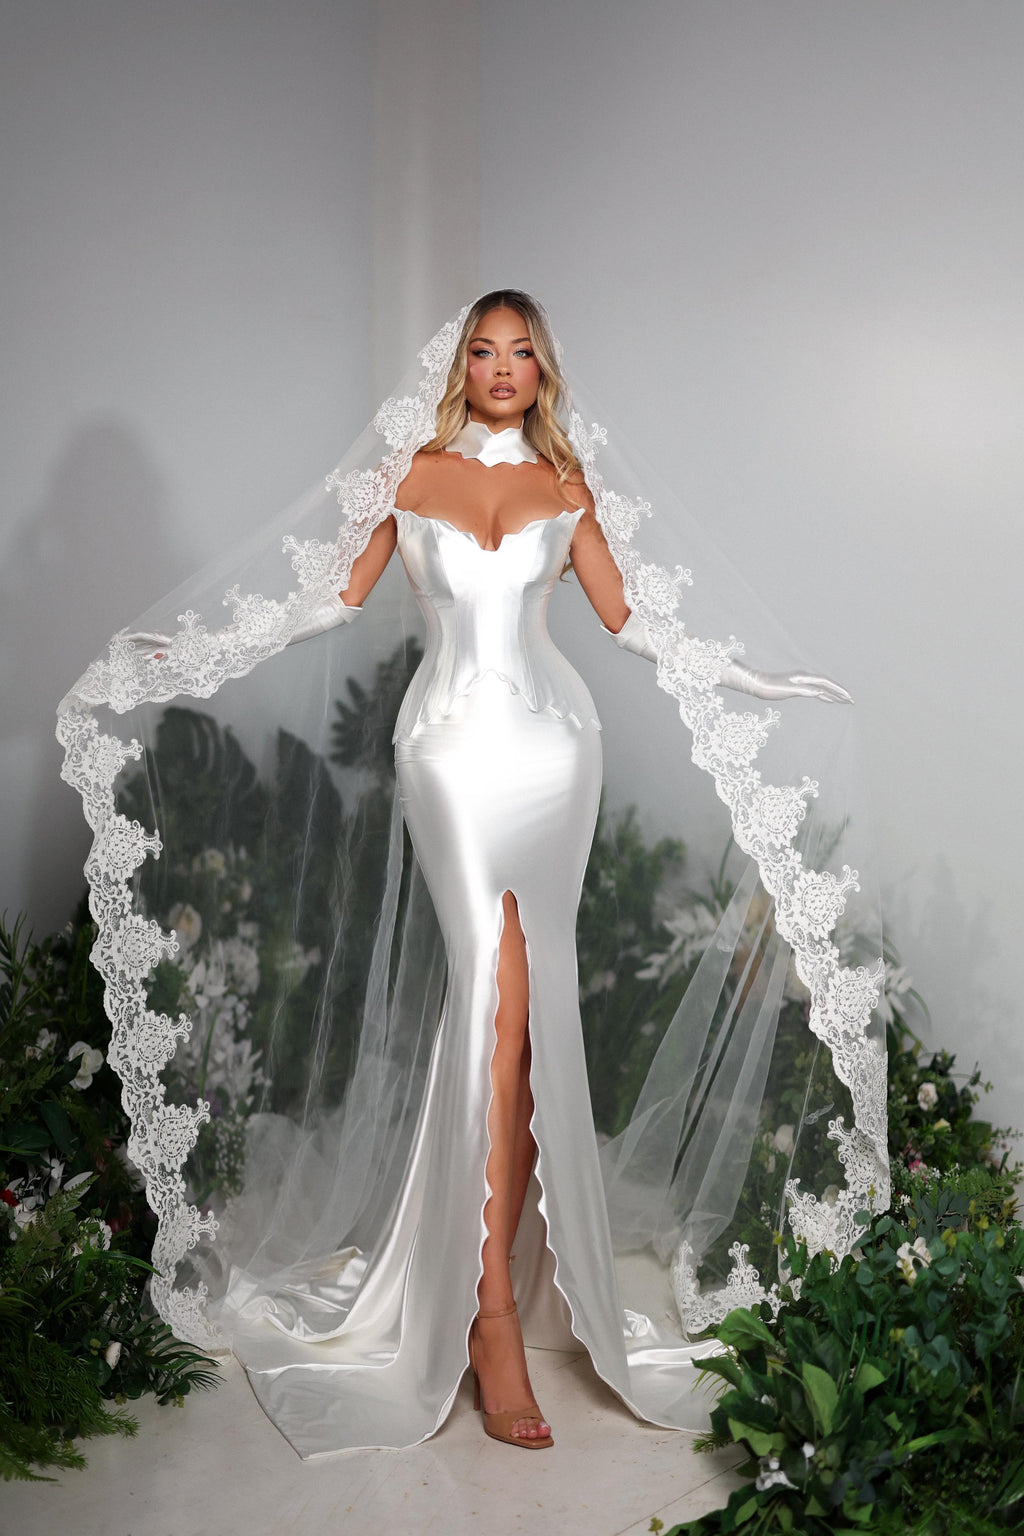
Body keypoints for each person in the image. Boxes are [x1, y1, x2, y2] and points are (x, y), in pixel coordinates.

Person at [58, 289, 885, 1458]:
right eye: (484, 351)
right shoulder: (410, 474)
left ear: (543, 370)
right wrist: (188, 649)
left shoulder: (566, 483)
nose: (502, 368)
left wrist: (758, 682)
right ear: (459, 366)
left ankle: (504, 1290)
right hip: (448, 755)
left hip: (557, 752)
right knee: (492, 1006)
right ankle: (489, 1317)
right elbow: (330, 601)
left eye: (521, 352)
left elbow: (629, 618)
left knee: (528, 1023)